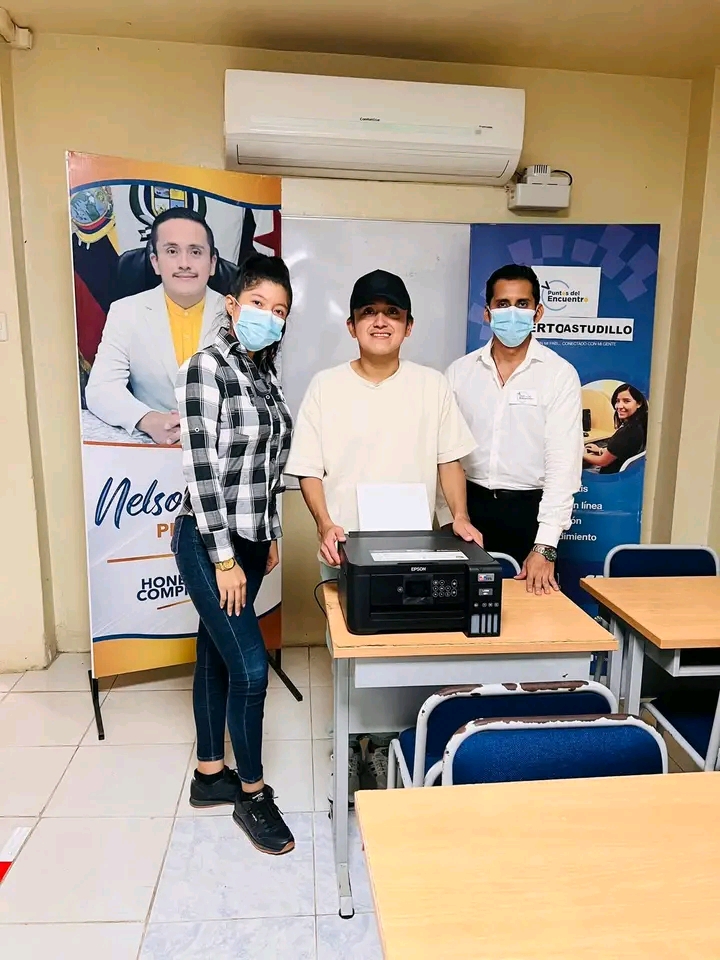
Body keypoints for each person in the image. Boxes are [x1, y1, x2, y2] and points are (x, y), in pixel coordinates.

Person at [285, 268, 481, 801]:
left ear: (408, 326)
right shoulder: (326, 387)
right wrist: (325, 524)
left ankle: (390, 742)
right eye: (368, 313)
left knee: (407, 651)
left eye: (392, 313)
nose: (380, 322)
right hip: (347, 548)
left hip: (416, 548)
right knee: (352, 651)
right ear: (351, 325)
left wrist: (459, 516)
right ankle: (349, 744)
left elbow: (449, 459)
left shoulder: (431, 386)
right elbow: (309, 469)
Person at [172, 254, 295, 856]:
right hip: (208, 540)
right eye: (258, 304)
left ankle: (208, 775)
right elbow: (201, 473)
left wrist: (268, 536)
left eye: (279, 311)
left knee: (215, 655)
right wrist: (224, 560)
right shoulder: (206, 368)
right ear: (232, 304)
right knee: (250, 668)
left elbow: (266, 470)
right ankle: (251, 792)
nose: (268, 317)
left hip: (250, 539)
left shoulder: (266, 376)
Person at [444, 263, 583, 595]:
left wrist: (545, 546)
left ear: (538, 312)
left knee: (531, 616)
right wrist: (449, 518)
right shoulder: (459, 373)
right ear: (487, 314)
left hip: (530, 516)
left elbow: (563, 466)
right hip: (468, 511)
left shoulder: (559, 375)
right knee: (462, 612)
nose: (512, 313)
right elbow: (445, 454)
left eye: (522, 304)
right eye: (503, 304)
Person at [86, 208, 225, 444]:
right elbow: (101, 388)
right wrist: (148, 420)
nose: (184, 263)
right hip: (153, 448)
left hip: (222, 448)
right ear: (155, 262)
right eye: (172, 251)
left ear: (212, 263)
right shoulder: (125, 312)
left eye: (195, 252)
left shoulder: (236, 315)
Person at [583, 383, 648, 474]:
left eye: (626, 401)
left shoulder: (627, 432)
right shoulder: (639, 425)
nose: (619, 406)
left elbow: (602, 461)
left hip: (608, 475)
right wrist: (600, 450)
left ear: (639, 403)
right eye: (617, 401)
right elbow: (619, 451)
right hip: (622, 473)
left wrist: (581, 454)